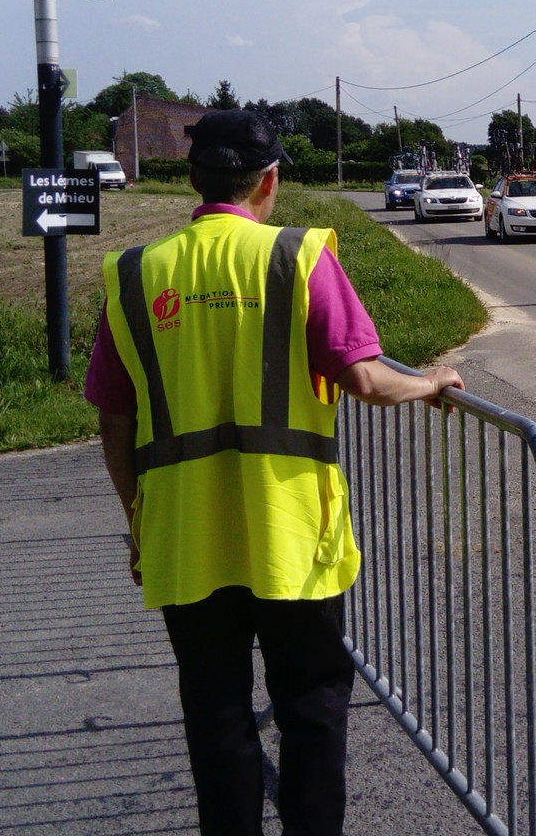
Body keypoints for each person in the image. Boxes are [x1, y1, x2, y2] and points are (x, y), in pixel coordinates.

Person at [84, 110, 463, 836]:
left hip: (185, 534)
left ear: (192, 180)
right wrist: (432, 381)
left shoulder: (135, 273)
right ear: (270, 180)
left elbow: (114, 422)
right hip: (290, 533)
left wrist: (139, 521)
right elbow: (363, 377)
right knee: (313, 704)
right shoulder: (297, 257)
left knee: (216, 709)